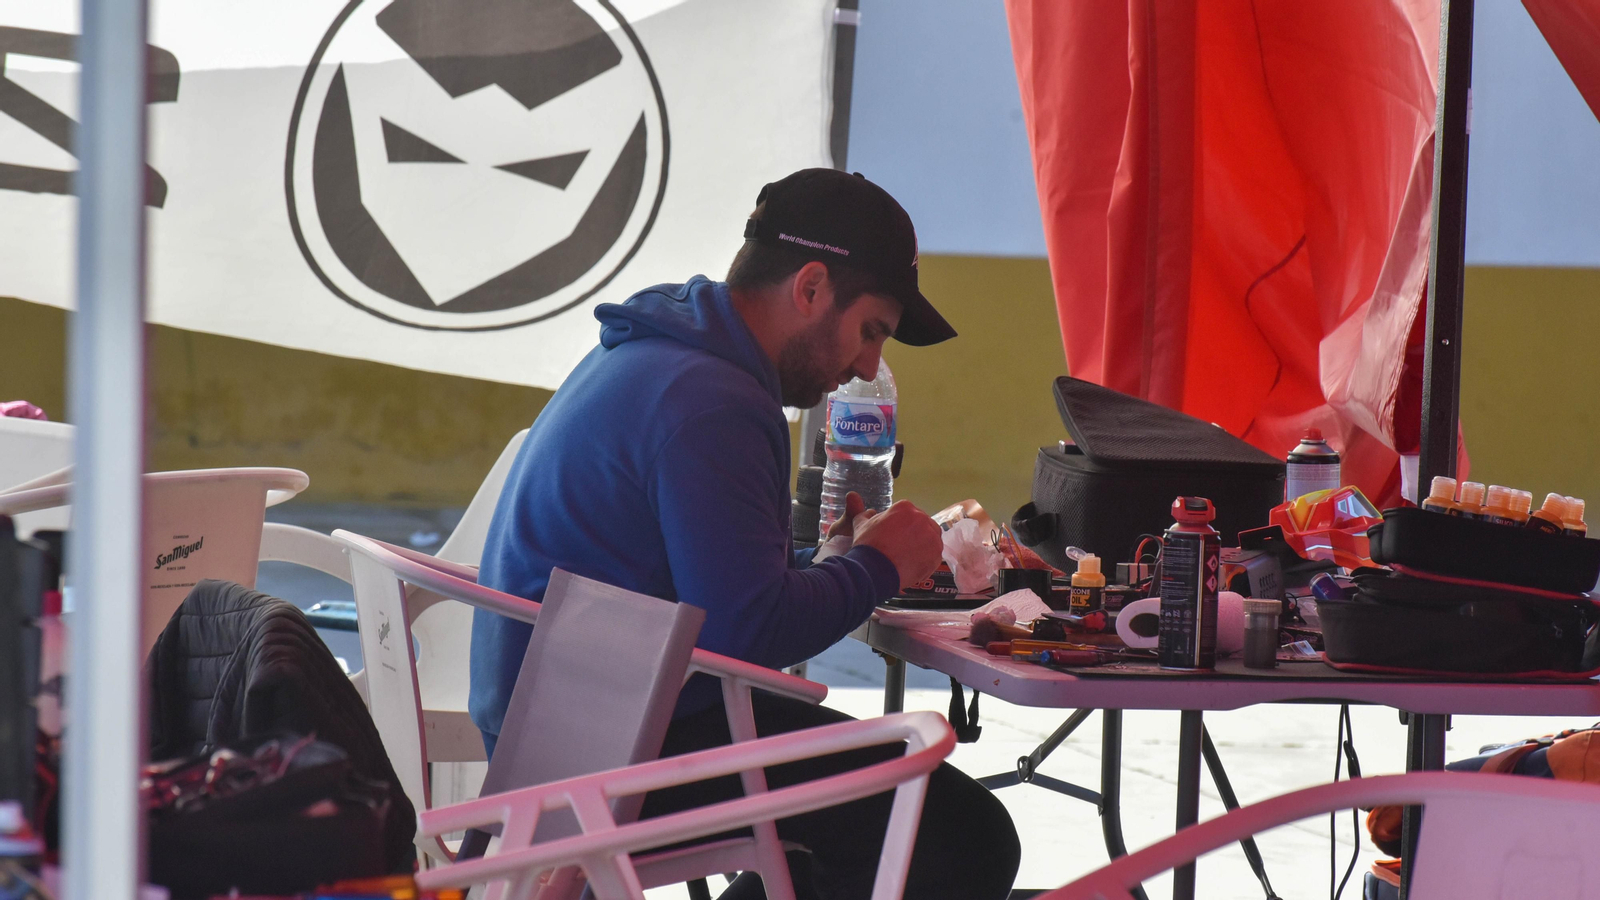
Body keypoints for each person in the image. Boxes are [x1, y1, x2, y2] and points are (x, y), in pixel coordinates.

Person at [470, 168, 1020, 899]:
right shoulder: (715, 401)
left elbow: (701, 576)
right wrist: (878, 566)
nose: (868, 364)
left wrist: (828, 560)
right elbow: (746, 630)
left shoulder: (665, 348)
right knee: (956, 832)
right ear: (812, 288)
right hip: (608, 741)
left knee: (861, 817)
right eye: (871, 331)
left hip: (565, 711)